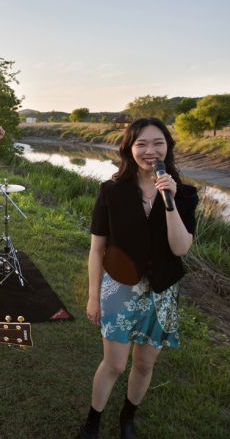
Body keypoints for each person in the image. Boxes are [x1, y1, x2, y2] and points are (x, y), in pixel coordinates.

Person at [79, 118, 199, 439]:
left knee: (144, 364)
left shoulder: (184, 194)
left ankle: (127, 419)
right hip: (119, 286)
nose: (150, 151)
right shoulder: (111, 191)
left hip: (162, 290)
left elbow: (180, 247)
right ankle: (92, 423)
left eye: (158, 143)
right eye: (141, 144)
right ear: (129, 148)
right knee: (115, 364)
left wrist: (169, 203)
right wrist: (93, 296)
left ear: (168, 147)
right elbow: (96, 250)